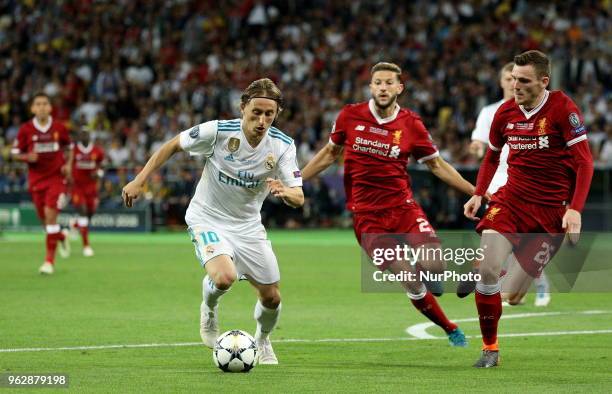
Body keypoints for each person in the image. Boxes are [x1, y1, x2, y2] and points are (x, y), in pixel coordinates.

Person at [121, 78, 303, 365]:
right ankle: (209, 308)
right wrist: (139, 180)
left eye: (269, 114)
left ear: (277, 113)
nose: (262, 120)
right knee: (224, 277)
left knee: (272, 298)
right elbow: (172, 145)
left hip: (248, 226)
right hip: (207, 217)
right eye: (256, 112)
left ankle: (263, 340)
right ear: (243, 107)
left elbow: (299, 196)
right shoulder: (218, 131)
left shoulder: (282, 145)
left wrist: (286, 192)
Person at [302, 62, 476, 347]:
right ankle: (449, 327)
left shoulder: (411, 124)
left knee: (435, 265)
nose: (383, 87)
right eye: (378, 83)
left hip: (403, 208)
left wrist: (474, 191)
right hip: (368, 218)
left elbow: (437, 165)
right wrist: (297, 180)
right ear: (371, 87)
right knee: (408, 278)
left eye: (388, 83)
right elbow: (328, 154)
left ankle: (426, 274)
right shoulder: (350, 115)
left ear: (399, 88)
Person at [464, 50, 594, 368]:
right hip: (510, 202)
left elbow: (585, 162)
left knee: (513, 296)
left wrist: (574, 210)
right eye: (512, 80)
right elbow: (492, 156)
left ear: (543, 82)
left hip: (550, 213)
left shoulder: (563, 108)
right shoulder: (505, 113)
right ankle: (490, 349)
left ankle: (499, 272)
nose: (516, 86)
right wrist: (479, 194)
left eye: (523, 81)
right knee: (488, 270)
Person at [466, 62, 552, 307]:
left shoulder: (537, 110)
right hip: (497, 182)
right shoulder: (491, 111)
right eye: (506, 78)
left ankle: (535, 285)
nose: (511, 83)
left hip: (525, 182)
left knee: (522, 241)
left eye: (515, 78)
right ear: (502, 81)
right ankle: (503, 286)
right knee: (502, 239)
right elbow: (482, 145)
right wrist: (476, 147)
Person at [11, 92, 72, 274]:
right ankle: (61, 235)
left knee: (51, 216)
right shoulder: (26, 130)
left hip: (56, 179)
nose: (42, 107)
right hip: (36, 181)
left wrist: (68, 165)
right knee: (45, 222)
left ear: (50, 107)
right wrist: (26, 157)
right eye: (38, 104)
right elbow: (13, 153)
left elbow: (69, 147)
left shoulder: (59, 128)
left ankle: (49, 262)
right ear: (32, 108)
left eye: (45, 103)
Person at [70, 128, 105, 257]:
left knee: (91, 213)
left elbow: (101, 166)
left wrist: (99, 174)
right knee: (83, 212)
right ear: (79, 136)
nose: (84, 136)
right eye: (82, 134)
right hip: (77, 187)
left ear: (90, 136)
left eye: (86, 134)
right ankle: (86, 246)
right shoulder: (73, 150)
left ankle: (75, 224)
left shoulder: (97, 151)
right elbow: (67, 165)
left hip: (91, 187)